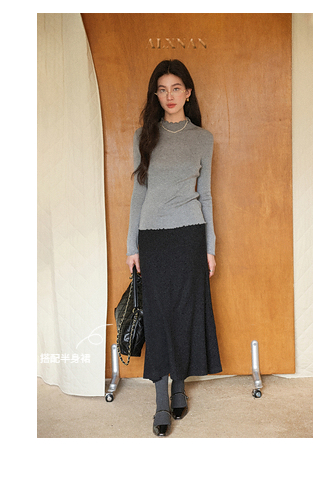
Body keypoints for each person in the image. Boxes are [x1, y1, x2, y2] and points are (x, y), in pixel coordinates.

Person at [126, 59, 222, 436]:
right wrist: (132, 245)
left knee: (185, 314)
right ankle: (161, 402)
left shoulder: (203, 139)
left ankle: (179, 387)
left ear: (188, 93)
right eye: (163, 89)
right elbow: (139, 193)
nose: (170, 96)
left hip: (189, 236)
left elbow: (207, 195)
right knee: (159, 315)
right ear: (156, 95)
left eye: (176, 88)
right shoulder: (144, 136)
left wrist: (210, 247)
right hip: (153, 238)